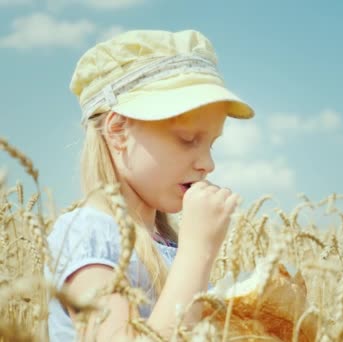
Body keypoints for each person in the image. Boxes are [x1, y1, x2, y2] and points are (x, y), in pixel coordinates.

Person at [43, 29, 255, 341]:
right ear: (117, 131)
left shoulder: (167, 244)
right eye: (187, 140)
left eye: (211, 144)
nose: (208, 164)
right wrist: (198, 251)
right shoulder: (88, 237)